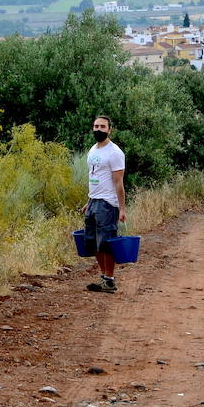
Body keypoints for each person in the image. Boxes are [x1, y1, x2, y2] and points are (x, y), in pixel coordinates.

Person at [84, 115, 126, 293]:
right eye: (96, 126)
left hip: (108, 203)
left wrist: (122, 208)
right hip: (94, 201)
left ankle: (110, 280)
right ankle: (103, 278)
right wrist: (88, 201)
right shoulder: (93, 149)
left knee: (106, 243)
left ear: (110, 129)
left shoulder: (115, 152)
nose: (98, 129)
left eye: (102, 126)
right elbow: (95, 177)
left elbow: (118, 182)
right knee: (93, 243)